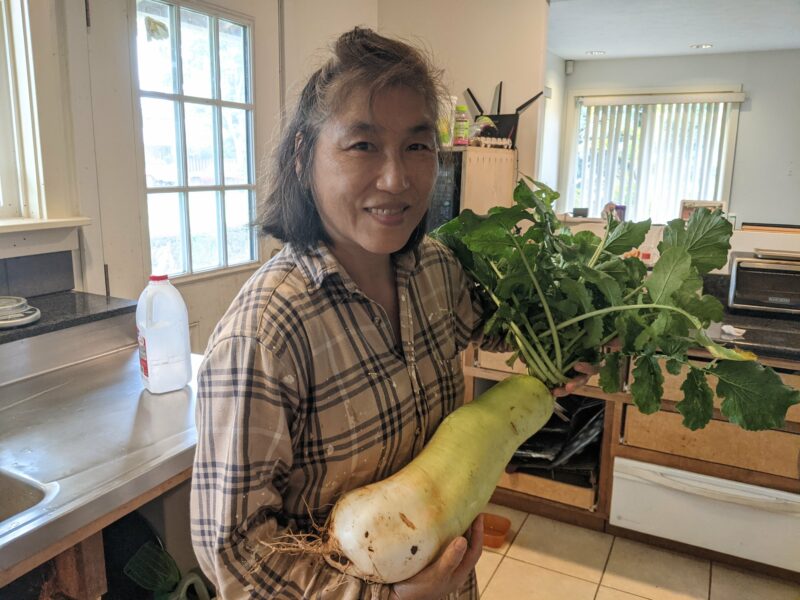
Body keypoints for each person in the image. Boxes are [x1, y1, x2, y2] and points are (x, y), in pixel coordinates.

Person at [190, 27, 588, 600]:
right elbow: (234, 552)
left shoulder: (437, 269)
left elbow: (503, 331)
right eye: (363, 145)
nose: (397, 178)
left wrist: (572, 347)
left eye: (417, 146)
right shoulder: (265, 336)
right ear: (305, 156)